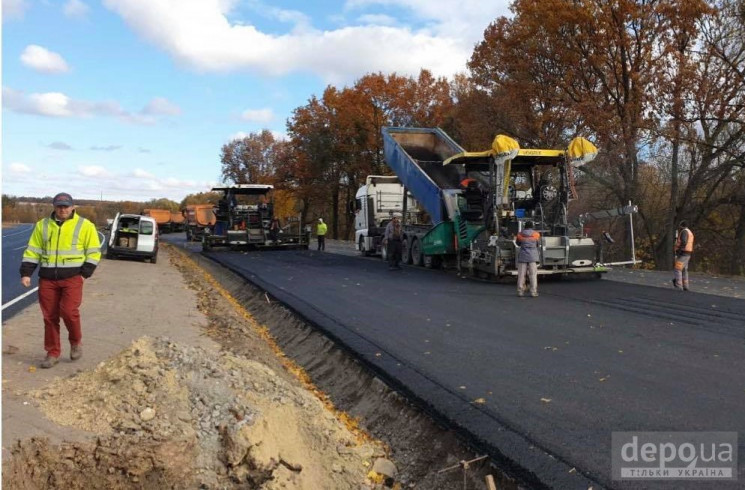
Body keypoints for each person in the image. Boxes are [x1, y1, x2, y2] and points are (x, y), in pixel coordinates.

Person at [19, 192, 102, 368]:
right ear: (54, 207)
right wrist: (26, 273)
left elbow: (94, 251)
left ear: (73, 207)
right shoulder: (43, 225)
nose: (62, 209)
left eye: (65, 206)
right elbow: (33, 251)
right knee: (49, 317)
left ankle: (75, 342)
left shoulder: (85, 225)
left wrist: (84, 273)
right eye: (59, 206)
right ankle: (52, 353)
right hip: (48, 279)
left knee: (69, 311)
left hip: (72, 277)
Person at [516, 220, 541, 297]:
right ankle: (533, 292)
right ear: (532, 226)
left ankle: (520, 291)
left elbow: (518, 243)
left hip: (523, 256)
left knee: (521, 274)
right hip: (532, 257)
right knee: (533, 274)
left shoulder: (520, 234)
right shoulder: (536, 234)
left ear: (525, 226)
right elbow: (538, 244)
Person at [673, 220, 694, 291]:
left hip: (683, 253)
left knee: (678, 268)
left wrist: (679, 250)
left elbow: (684, 242)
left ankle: (679, 286)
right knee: (684, 269)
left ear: (681, 226)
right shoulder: (689, 232)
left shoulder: (684, 232)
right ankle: (685, 285)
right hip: (688, 253)